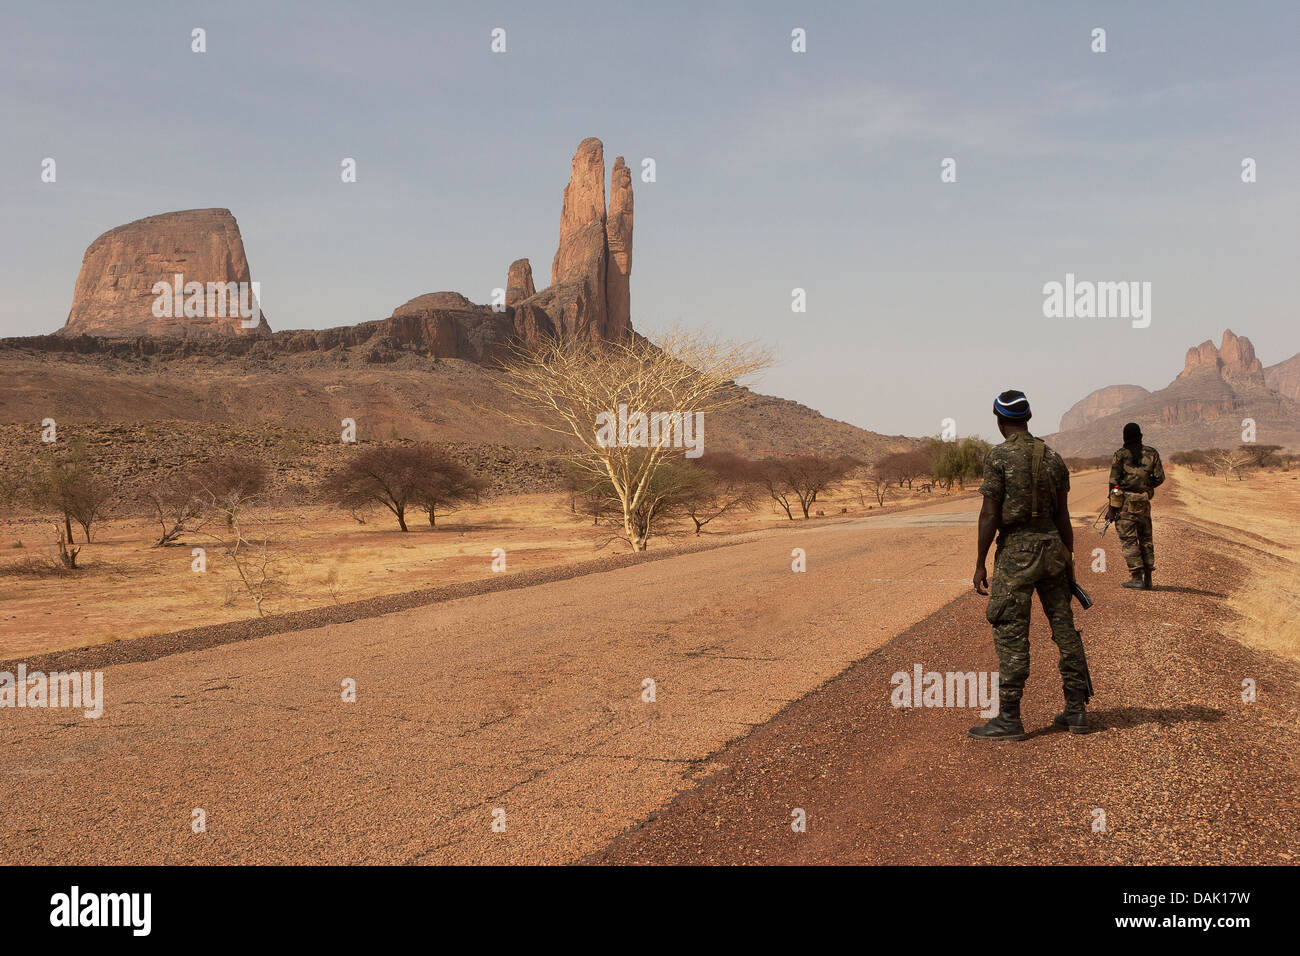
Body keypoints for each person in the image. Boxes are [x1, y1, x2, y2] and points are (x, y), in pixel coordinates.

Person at [970, 390, 1094, 739]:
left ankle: (1009, 718)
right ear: (1027, 416)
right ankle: (1076, 711)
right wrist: (1068, 560)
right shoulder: (1053, 458)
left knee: (1011, 631)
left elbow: (990, 514)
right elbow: (1063, 516)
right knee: (1064, 629)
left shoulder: (999, 456)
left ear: (999, 419)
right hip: (1053, 550)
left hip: (1016, 554)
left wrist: (980, 562)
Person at [1108, 422, 1165, 590]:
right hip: (1144, 502)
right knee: (1146, 538)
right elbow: (1160, 478)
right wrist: (1146, 487)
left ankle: (1136, 577)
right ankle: (1148, 578)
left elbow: (1113, 482)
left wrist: (1112, 507)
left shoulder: (1120, 454)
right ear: (1140, 435)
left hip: (1125, 503)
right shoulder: (1152, 453)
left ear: (1125, 437)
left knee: (1129, 539)